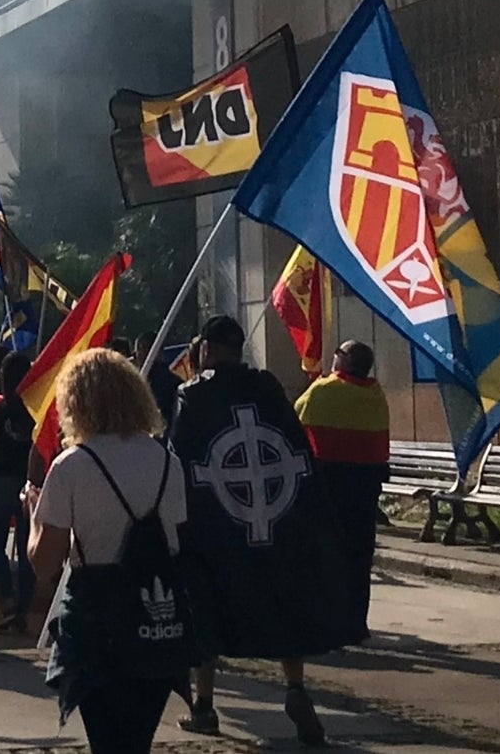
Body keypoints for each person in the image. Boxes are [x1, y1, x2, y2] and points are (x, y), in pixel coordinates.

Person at [168, 316, 356, 747]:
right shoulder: (268, 389)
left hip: (219, 530)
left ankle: (204, 706)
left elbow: (180, 461)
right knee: (283, 606)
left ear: (207, 350)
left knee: (207, 607)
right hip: (276, 524)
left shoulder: (192, 397)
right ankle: (295, 688)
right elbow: (296, 455)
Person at [27, 348, 190, 754]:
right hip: (158, 619)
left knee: (107, 740)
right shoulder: (168, 462)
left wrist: (33, 512)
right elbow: (177, 540)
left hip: (97, 619)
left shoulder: (71, 467)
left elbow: (44, 563)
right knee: (138, 741)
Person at [291, 341, 391, 588]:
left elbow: (295, 415)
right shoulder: (376, 395)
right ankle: (357, 623)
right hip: (366, 492)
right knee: (359, 563)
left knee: (328, 563)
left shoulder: (323, 391)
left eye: (338, 353)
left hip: (330, 491)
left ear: (345, 361)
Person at [0, 347, 38, 633]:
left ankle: (7, 598)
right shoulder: (38, 410)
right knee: (28, 550)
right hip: (30, 482)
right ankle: (23, 607)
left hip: (0, 482)